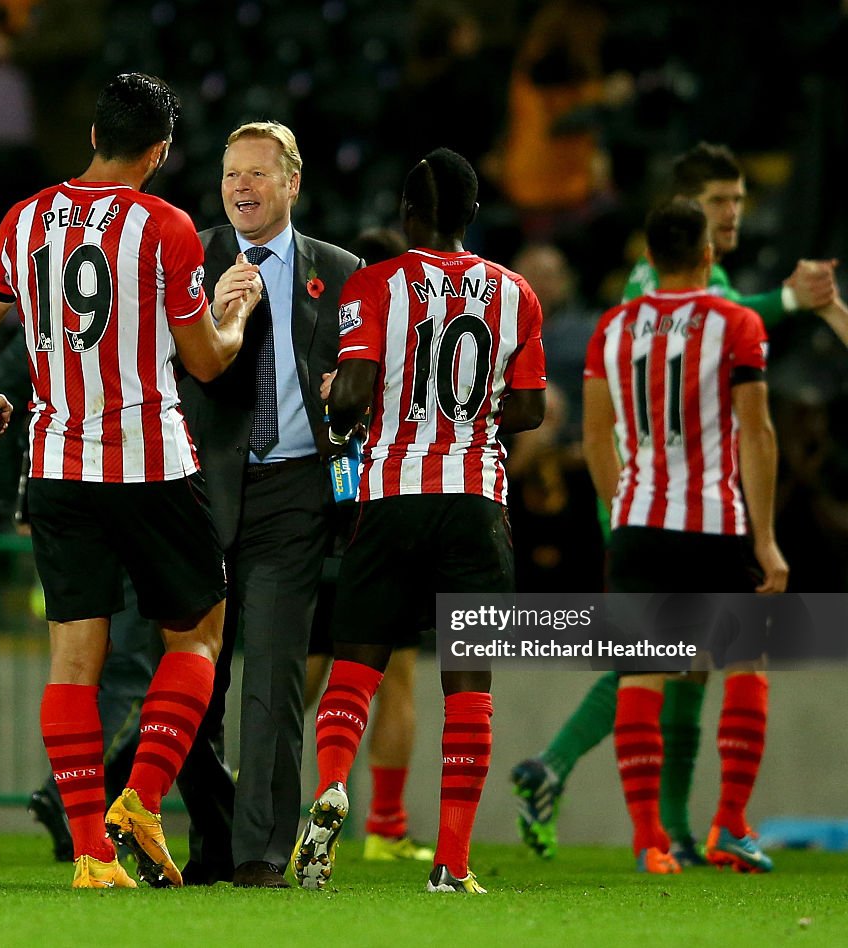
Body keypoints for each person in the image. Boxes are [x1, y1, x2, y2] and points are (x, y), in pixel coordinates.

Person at [0, 72, 262, 889]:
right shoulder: (167, 225)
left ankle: (90, 854)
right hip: (152, 464)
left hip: (56, 467)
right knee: (195, 638)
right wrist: (236, 314)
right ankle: (143, 799)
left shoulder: (24, 220)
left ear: (92, 137)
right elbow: (204, 361)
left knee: (72, 665)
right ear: (158, 153)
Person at [510, 141, 842, 865]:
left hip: (636, 511)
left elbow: (600, 421)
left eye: (740, 202)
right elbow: (735, 394)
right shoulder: (686, 298)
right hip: (685, 509)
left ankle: (666, 833)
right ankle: (625, 794)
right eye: (722, 202)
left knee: (670, 667)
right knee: (683, 663)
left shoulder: (629, 318)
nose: (734, 215)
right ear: (690, 213)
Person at [293, 148, 546, 895]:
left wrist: (343, 394)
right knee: (469, 690)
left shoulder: (374, 285)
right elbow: (528, 409)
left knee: (357, 667)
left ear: (408, 215)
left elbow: (355, 392)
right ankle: (452, 863)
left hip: (392, 494)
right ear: (472, 216)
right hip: (475, 503)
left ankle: (334, 785)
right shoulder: (516, 293)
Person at [176, 121, 362, 889]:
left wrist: (346, 403)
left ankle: (256, 856)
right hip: (198, 490)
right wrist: (217, 318)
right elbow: (169, 375)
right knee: (194, 685)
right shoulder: (189, 259)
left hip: (294, 490)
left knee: (273, 681)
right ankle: (213, 842)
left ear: (292, 183)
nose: (240, 187)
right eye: (229, 175)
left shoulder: (344, 272)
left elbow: (367, 382)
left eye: (256, 174)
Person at [583, 198, 785, 872]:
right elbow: (755, 433)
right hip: (716, 523)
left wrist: (626, 507)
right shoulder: (736, 323)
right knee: (744, 665)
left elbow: (593, 437)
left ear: (648, 256)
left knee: (643, 676)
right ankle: (731, 822)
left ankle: (649, 841)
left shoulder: (610, 327)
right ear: (707, 254)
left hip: (640, 525)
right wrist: (766, 540)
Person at [303, 225, 433, 864]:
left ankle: (263, 793)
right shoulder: (416, 340)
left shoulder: (333, 336)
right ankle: (385, 823)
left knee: (303, 675)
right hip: (388, 520)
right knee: (396, 676)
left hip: (323, 527)